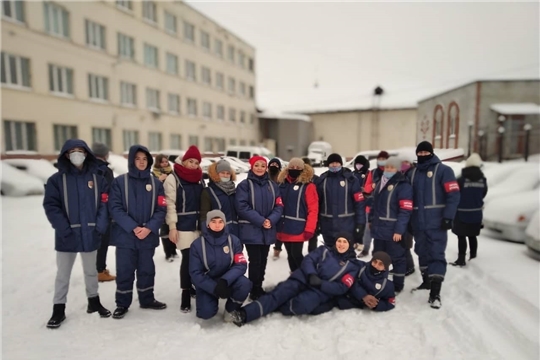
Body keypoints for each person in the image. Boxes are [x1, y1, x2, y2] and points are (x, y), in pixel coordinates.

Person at [43, 139, 111, 328]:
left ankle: (94, 301)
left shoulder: (98, 179)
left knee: (91, 271)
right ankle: (58, 308)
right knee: (63, 274)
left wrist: (100, 226)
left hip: (90, 233)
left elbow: (104, 204)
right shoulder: (57, 180)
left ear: (86, 153)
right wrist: (63, 228)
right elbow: (51, 206)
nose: (76, 154)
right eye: (72, 151)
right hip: (67, 235)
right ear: (66, 155)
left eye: (80, 150)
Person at [230, 232, 358, 326]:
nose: (341, 244)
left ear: (350, 244)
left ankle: (274, 302)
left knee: (301, 305)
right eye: (339, 241)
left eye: (345, 242)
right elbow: (309, 260)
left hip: (320, 291)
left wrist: (321, 284)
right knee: (280, 294)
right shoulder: (324, 251)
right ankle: (244, 314)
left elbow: (342, 287)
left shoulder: (352, 266)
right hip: (303, 278)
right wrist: (311, 274)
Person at [108, 145, 168, 319]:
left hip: (147, 236)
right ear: (132, 160)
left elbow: (161, 208)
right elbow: (115, 208)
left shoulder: (156, 183)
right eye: (137, 159)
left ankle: (147, 298)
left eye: (144, 159)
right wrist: (133, 227)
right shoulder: (120, 182)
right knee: (125, 270)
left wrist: (149, 227)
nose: (141, 162)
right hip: (126, 236)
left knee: (146, 269)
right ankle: (122, 303)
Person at [408, 141, 460, 309]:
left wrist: (448, 217)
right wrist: (408, 220)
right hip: (418, 223)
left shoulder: (444, 171)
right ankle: (426, 282)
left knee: (436, 254)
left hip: (437, 223)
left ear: (431, 152)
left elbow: (453, 195)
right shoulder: (412, 173)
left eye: (425, 152)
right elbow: (407, 199)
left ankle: (435, 293)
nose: (422, 155)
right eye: (420, 153)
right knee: (421, 252)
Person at [235, 156, 284, 300]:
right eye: (256, 165)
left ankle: (258, 286)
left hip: (267, 230)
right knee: (255, 261)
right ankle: (254, 290)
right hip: (251, 230)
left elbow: (279, 205)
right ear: (251, 167)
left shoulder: (273, 186)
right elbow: (242, 206)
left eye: (263, 165)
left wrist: (271, 220)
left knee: (263, 260)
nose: (260, 168)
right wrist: (261, 221)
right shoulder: (244, 185)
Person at [164, 145, 205, 313]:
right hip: (183, 226)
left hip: (199, 226)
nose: (193, 165)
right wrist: (172, 227)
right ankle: (185, 294)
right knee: (188, 259)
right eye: (190, 161)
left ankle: (195, 286)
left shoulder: (200, 178)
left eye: (196, 162)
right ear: (184, 160)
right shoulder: (173, 178)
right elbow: (170, 205)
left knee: (199, 261)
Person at [189, 210, 251, 321]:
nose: (217, 225)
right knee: (205, 313)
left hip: (228, 279)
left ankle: (230, 309)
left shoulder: (234, 241)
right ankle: (210, 300)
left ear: (224, 223)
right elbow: (195, 273)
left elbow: (241, 264)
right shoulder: (197, 245)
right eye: (213, 222)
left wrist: (225, 281)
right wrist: (214, 288)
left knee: (245, 284)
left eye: (220, 222)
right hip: (208, 281)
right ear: (208, 223)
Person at [369, 157, 413, 293]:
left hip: (393, 231)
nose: (388, 170)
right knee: (378, 257)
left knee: (397, 259)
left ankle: (397, 286)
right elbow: (374, 205)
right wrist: (371, 220)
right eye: (387, 167)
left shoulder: (403, 186)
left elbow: (405, 210)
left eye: (392, 167)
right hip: (379, 229)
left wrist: (399, 231)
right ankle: (378, 281)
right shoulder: (379, 182)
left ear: (398, 169)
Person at [276, 158, 319, 273]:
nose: (294, 170)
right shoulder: (281, 185)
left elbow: (313, 210)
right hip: (283, 227)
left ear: (303, 170)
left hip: (298, 228)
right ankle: (296, 278)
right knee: (290, 255)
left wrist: (310, 228)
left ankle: (307, 276)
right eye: (292, 167)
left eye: (298, 168)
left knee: (296, 255)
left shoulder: (308, 186)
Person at [315, 153, 366, 248]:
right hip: (327, 226)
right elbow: (317, 204)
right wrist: (316, 223)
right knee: (329, 255)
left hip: (346, 226)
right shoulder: (322, 180)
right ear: (328, 165)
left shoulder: (351, 180)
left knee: (346, 255)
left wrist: (360, 223)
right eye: (332, 163)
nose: (334, 165)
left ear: (341, 164)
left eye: (337, 163)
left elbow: (359, 203)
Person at [451, 153, 488, 267]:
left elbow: (454, 194)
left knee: (461, 236)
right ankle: (473, 256)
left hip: (461, 212)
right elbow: (484, 193)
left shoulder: (461, 179)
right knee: (472, 235)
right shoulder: (482, 179)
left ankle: (461, 259)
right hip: (476, 212)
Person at [330, 252, 396, 312]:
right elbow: (350, 279)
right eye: (375, 261)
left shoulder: (387, 285)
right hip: (340, 290)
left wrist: (376, 305)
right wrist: (363, 295)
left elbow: (391, 302)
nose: (376, 265)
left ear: (385, 268)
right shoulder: (360, 267)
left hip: (347, 302)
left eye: (380, 264)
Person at [91, 142, 116, 282]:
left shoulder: (86, 168)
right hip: (102, 211)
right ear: (105, 154)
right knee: (103, 242)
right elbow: (110, 191)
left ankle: (95, 269)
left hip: (89, 212)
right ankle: (100, 271)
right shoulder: (104, 170)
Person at [200, 160, 239, 237]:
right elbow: (204, 215)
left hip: (235, 232)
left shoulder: (234, 191)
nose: (225, 175)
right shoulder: (209, 192)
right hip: (217, 233)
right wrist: (206, 232)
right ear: (216, 174)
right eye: (222, 173)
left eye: (228, 173)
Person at [152, 154, 177, 262]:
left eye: (166, 162)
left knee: (173, 226)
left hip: (172, 202)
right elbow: (151, 189)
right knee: (164, 229)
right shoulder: (154, 174)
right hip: (160, 204)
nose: (165, 164)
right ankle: (168, 253)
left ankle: (174, 250)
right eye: (162, 162)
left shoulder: (172, 172)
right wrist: (159, 180)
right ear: (158, 163)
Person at [352, 155, 372, 255]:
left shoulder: (369, 174)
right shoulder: (352, 174)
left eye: (361, 164)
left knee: (365, 227)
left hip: (366, 204)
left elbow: (372, 186)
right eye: (357, 164)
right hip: (354, 204)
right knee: (355, 225)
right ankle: (356, 242)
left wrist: (365, 189)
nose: (358, 166)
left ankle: (365, 247)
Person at [400, 156, 417, 276]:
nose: (404, 164)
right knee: (400, 243)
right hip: (401, 212)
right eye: (402, 162)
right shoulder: (402, 174)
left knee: (405, 242)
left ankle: (410, 266)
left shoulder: (412, 174)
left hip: (409, 213)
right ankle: (403, 266)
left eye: (406, 162)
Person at [302, 157, 321, 252]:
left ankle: (312, 253)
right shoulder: (297, 179)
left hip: (313, 210)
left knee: (313, 234)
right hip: (301, 210)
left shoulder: (317, 179)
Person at [268, 158, 284, 260]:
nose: (274, 166)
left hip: (279, 206)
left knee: (280, 230)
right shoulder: (265, 177)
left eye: (276, 164)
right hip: (268, 206)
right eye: (272, 164)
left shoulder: (282, 178)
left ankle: (277, 249)